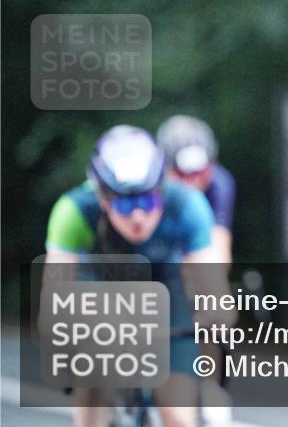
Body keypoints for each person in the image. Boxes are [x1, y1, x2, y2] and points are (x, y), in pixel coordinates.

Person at [44, 125, 231, 427]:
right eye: (126, 203)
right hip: (98, 285)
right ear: (103, 198)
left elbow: (213, 287)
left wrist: (215, 316)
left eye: (147, 201)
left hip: (165, 286)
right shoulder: (73, 210)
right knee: (92, 393)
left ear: (161, 190)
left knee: (179, 414)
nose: (138, 217)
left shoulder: (187, 204)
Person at [157, 115, 236, 264]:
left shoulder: (219, 183)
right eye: (182, 174)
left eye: (199, 172)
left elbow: (219, 243)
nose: (193, 181)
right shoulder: (151, 189)